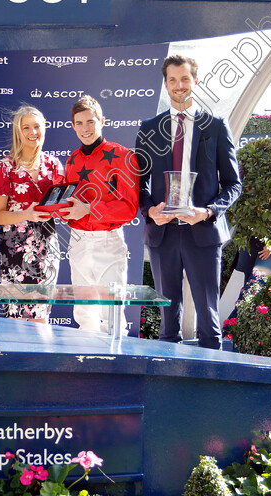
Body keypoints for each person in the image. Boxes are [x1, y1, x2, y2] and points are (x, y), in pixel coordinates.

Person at [135, 55, 241, 349]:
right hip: (163, 234)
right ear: (165, 83)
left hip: (203, 233)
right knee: (168, 324)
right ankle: (170, 388)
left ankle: (210, 387)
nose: (178, 85)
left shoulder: (216, 126)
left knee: (209, 321)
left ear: (195, 81)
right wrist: (150, 210)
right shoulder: (149, 129)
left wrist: (208, 212)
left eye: (184, 79)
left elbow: (234, 184)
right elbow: (137, 185)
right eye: (172, 80)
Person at [61, 95, 139, 333]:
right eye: (80, 123)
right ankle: (85, 367)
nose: (85, 128)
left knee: (113, 312)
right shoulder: (72, 159)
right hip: (78, 240)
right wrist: (61, 211)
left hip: (109, 240)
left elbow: (129, 207)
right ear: (73, 126)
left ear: (102, 121)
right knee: (84, 313)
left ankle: (115, 368)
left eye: (90, 121)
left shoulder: (123, 155)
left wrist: (89, 209)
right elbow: (71, 205)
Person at [0, 105, 64, 322]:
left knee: (41, 317)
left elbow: (63, 206)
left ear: (44, 129)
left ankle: (41, 357)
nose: (33, 133)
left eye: (37, 127)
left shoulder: (54, 165)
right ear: (18, 132)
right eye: (26, 128)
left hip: (47, 248)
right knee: (15, 319)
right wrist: (26, 214)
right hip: (14, 251)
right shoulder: (5, 167)